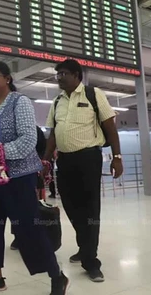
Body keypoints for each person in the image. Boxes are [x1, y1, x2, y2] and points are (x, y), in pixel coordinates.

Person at [0, 61, 69, 295]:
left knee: (28, 229)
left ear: (8, 78)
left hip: (18, 177)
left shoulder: (20, 102)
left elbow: (28, 141)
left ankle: (57, 276)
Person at [43, 59, 123, 283]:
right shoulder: (57, 101)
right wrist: (45, 161)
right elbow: (53, 135)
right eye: (57, 75)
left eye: (64, 74)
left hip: (88, 158)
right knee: (70, 205)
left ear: (77, 75)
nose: (59, 78)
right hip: (65, 161)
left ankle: (91, 261)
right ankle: (85, 246)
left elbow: (110, 128)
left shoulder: (93, 94)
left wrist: (117, 157)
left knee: (89, 209)